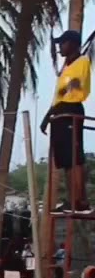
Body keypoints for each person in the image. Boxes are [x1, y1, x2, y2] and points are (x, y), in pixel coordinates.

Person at [41, 29, 91, 213]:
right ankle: (72, 200)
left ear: (72, 44)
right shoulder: (66, 68)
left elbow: (77, 86)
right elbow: (58, 96)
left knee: (74, 158)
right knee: (64, 160)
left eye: (63, 43)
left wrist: (64, 93)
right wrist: (48, 117)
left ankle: (81, 201)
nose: (60, 47)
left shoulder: (82, 62)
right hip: (59, 112)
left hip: (71, 109)